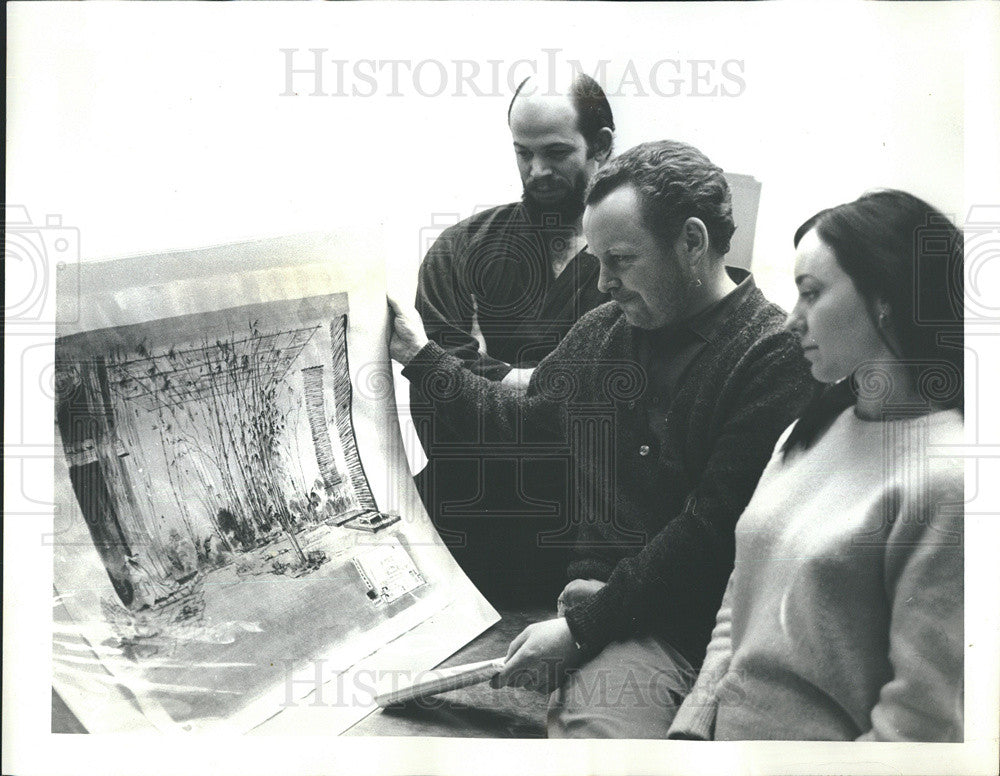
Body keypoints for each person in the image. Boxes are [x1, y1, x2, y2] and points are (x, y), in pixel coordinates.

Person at [390, 140, 814, 737]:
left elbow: (708, 534)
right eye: (596, 260)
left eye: (620, 260)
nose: (601, 282)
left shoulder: (772, 357)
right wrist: (420, 356)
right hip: (607, 613)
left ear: (692, 242)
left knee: (598, 746)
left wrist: (585, 627)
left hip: (683, 629)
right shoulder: (606, 330)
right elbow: (521, 428)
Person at [668, 190, 965, 741]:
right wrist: (692, 728)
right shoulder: (807, 433)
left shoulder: (948, 478)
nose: (791, 322)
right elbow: (741, 600)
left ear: (886, 300)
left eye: (811, 294)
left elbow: (922, 725)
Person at [410, 73, 616, 604]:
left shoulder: (632, 266)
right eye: (523, 153)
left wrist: (484, 378)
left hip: (585, 538)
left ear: (603, 146)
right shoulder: (460, 251)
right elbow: (439, 415)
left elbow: (612, 424)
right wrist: (547, 390)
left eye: (556, 152)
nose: (537, 171)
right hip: (465, 527)